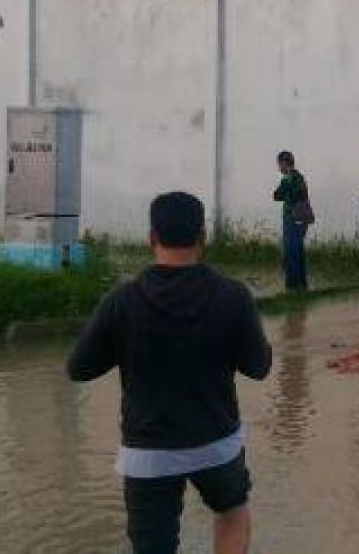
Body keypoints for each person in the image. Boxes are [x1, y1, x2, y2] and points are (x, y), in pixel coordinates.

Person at [66, 191, 272, 554]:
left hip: (148, 453)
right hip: (216, 445)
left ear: (151, 238)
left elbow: (78, 369)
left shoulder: (121, 301)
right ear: (202, 237)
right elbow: (259, 368)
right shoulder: (233, 296)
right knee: (232, 511)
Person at [273, 151, 311, 291]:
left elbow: (277, 195)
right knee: (298, 251)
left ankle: (292, 286)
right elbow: (279, 195)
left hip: (292, 218)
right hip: (301, 219)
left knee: (291, 252)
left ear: (284, 163)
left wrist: (285, 193)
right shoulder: (298, 177)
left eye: (279, 164)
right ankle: (301, 285)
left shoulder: (289, 179)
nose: (279, 168)